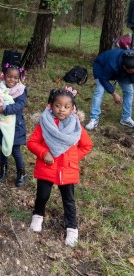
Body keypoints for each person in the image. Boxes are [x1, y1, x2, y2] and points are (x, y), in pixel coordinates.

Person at [27, 87, 93, 247]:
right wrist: (44, 153)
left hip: (67, 170)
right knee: (42, 195)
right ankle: (38, 215)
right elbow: (31, 142)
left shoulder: (77, 127)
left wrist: (72, 158)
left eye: (66, 106)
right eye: (58, 105)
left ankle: (72, 227)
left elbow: (87, 145)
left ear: (72, 109)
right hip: (46, 167)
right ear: (51, 106)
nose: (61, 109)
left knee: (68, 200)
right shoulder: (45, 124)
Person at [85, 49, 134, 130]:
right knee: (99, 91)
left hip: (122, 72)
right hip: (101, 67)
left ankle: (126, 118)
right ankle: (94, 118)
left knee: (129, 91)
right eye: (131, 71)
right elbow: (103, 78)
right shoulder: (112, 64)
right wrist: (114, 93)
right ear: (125, 67)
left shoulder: (131, 63)